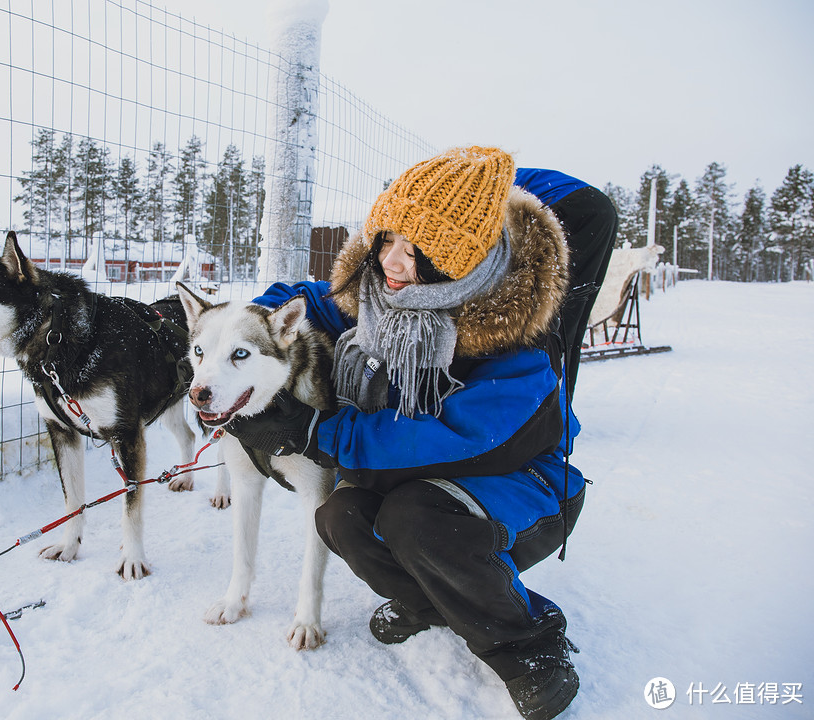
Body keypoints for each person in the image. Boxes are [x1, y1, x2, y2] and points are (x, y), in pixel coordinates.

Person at [227, 147, 588, 719]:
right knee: (340, 517)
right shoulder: (374, 294)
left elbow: (454, 436)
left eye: (421, 252)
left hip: (526, 488)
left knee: (414, 520)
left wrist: (321, 431)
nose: (393, 263)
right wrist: (234, 327)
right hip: (428, 482)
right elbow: (311, 299)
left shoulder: (513, 340)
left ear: (465, 261)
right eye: (388, 239)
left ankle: (528, 643)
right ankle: (427, 602)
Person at [513, 168, 617, 399]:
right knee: (572, 320)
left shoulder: (467, 188)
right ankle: (560, 405)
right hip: (597, 209)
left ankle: (549, 408)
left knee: (549, 322)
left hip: (572, 208)